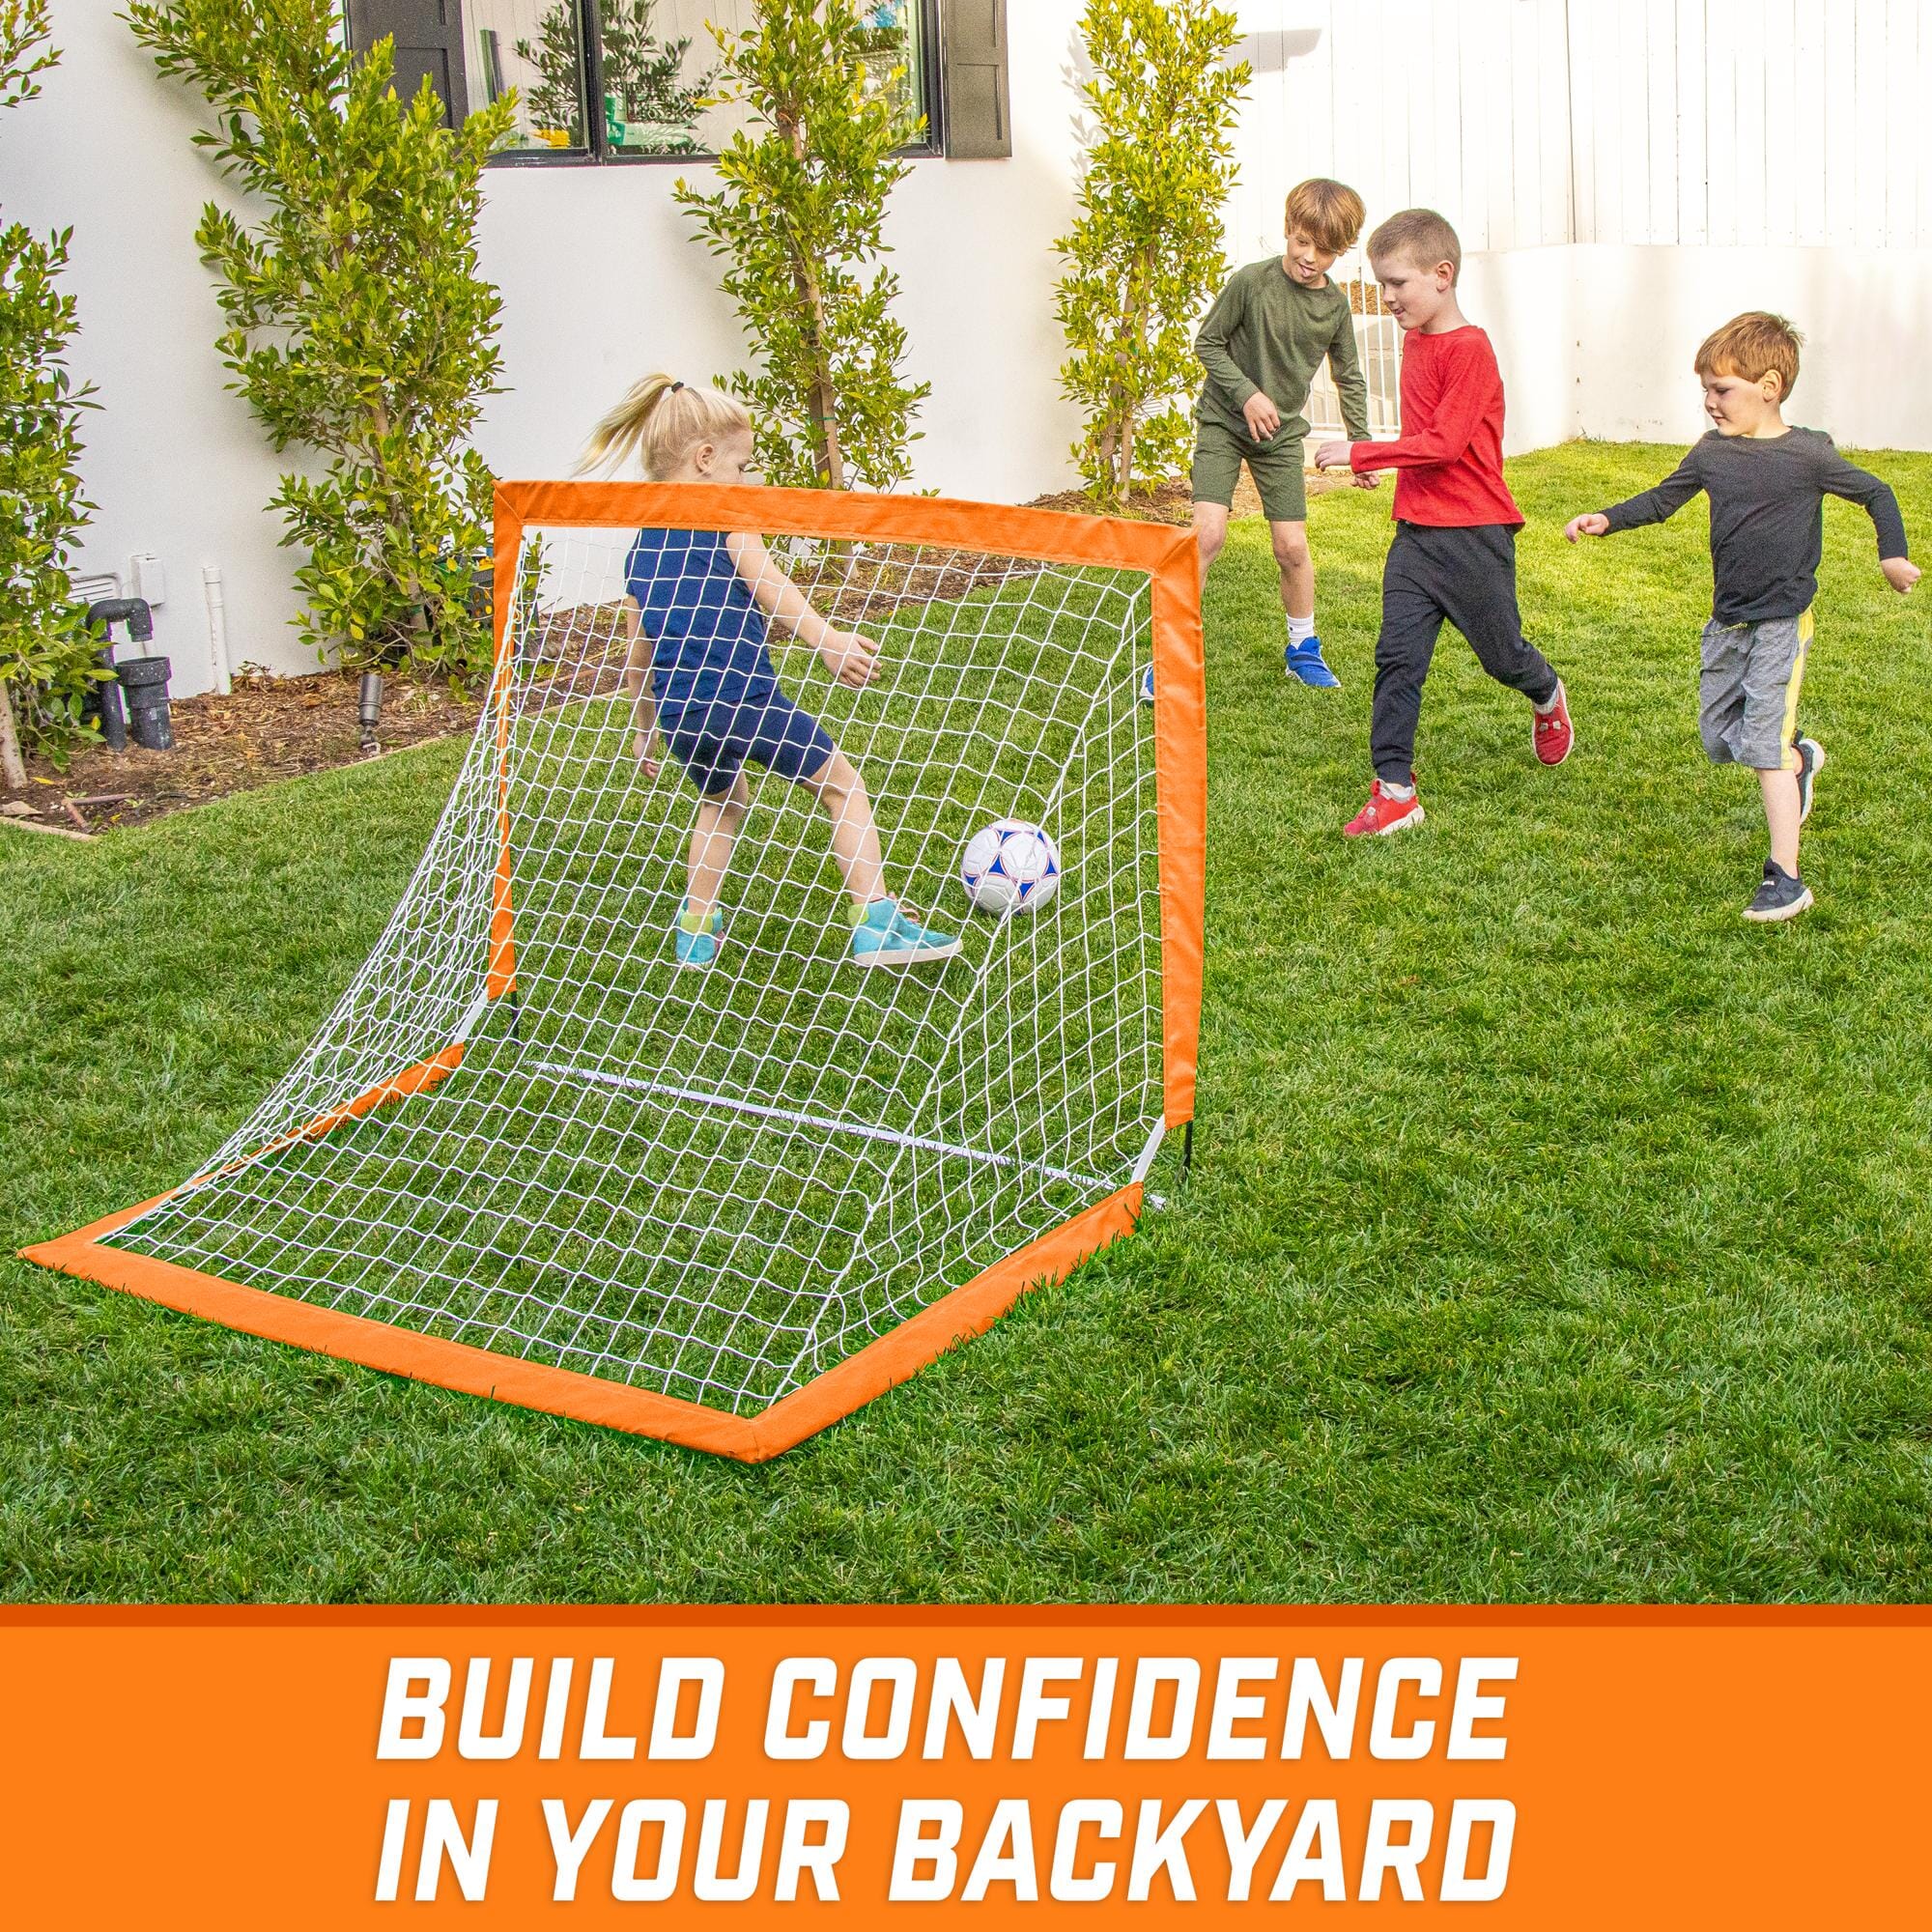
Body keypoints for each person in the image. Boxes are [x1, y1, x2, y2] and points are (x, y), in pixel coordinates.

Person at [580, 373, 960, 970]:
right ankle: (877, 921)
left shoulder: (641, 548)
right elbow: (770, 584)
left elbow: (637, 660)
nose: (748, 480)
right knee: (842, 785)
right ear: (705, 461)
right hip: (744, 700)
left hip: (683, 716)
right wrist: (827, 640)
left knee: (723, 802)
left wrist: (645, 728)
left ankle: (696, 931)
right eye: (742, 465)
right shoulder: (727, 517)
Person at [1565, 312, 1917, 922]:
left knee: (1761, 745)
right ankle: (1800, 760)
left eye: (1721, 389)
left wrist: (1892, 555)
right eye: (1705, 389)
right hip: (1727, 619)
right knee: (1718, 735)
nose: (1710, 402)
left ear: (1770, 387)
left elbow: (1877, 493)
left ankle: (1786, 877)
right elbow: (1662, 499)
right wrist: (1608, 518)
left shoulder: (1809, 454)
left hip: (1782, 619)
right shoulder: (1712, 454)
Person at [1314, 208, 1574, 836]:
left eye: (1397, 284)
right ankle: (1395, 789)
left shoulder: (1471, 349)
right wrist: (1382, 466)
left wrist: (1362, 451)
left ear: (1442, 274)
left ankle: (1545, 693)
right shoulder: (1414, 340)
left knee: (1502, 656)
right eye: (1381, 285)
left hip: (1475, 535)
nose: (1388, 298)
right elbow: (1421, 437)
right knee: (1396, 656)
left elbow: (1446, 444)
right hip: (1415, 535)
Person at [1192, 177, 1379, 688]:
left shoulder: (1335, 308)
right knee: (1206, 534)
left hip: (1279, 436)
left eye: (1325, 250)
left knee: (1292, 547)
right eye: (1302, 242)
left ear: (1342, 251)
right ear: (1287, 230)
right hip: (1224, 423)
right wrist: (1247, 394)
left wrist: (1359, 447)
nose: (1309, 257)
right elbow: (1207, 344)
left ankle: (1303, 648)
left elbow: (1350, 376)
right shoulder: (1250, 283)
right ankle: (1170, 653)